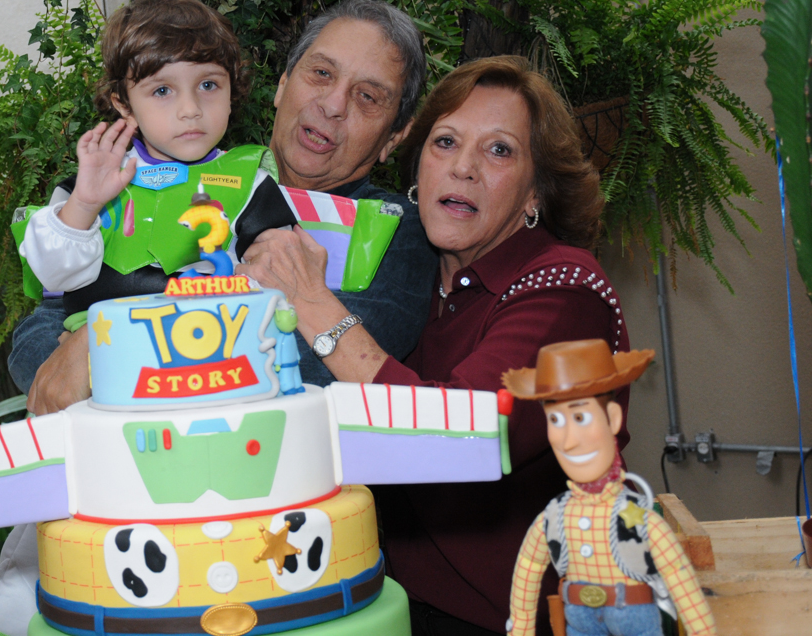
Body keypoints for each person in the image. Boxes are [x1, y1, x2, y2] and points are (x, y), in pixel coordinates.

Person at [239, 55, 630, 634]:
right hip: (392, 607)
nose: (464, 168)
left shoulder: (566, 290)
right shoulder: (412, 279)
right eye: (446, 141)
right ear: (418, 167)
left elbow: (466, 435)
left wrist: (313, 302)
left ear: (534, 194)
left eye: (500, 150)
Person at [8, 0, 439, 415]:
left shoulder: (390, 232)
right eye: (321, 73)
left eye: (367, 97)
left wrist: (101, 344)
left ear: (396, 136)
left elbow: (312, 365)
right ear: (283, 85)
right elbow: (39, 335)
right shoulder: (131, 184)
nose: (333, 104)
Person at [17, 0, 299, 328]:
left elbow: (285, 281)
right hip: (99, 352)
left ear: (232, 90)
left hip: (212, 347)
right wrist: (84, 205)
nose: (191, 110)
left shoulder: (251, 184)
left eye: (208, 85)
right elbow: (54, 275)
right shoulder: (90, 184)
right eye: (162, 91)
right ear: (123, 104)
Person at [503, 339, 714, 636]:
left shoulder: (639, 519)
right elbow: (527, 566)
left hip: (635, 620)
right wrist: (521, 628)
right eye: (555, 419)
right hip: (577, 621)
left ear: (613, 418)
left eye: (580, 417)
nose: (568, 439)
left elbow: (679, 577)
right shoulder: (554, 518)